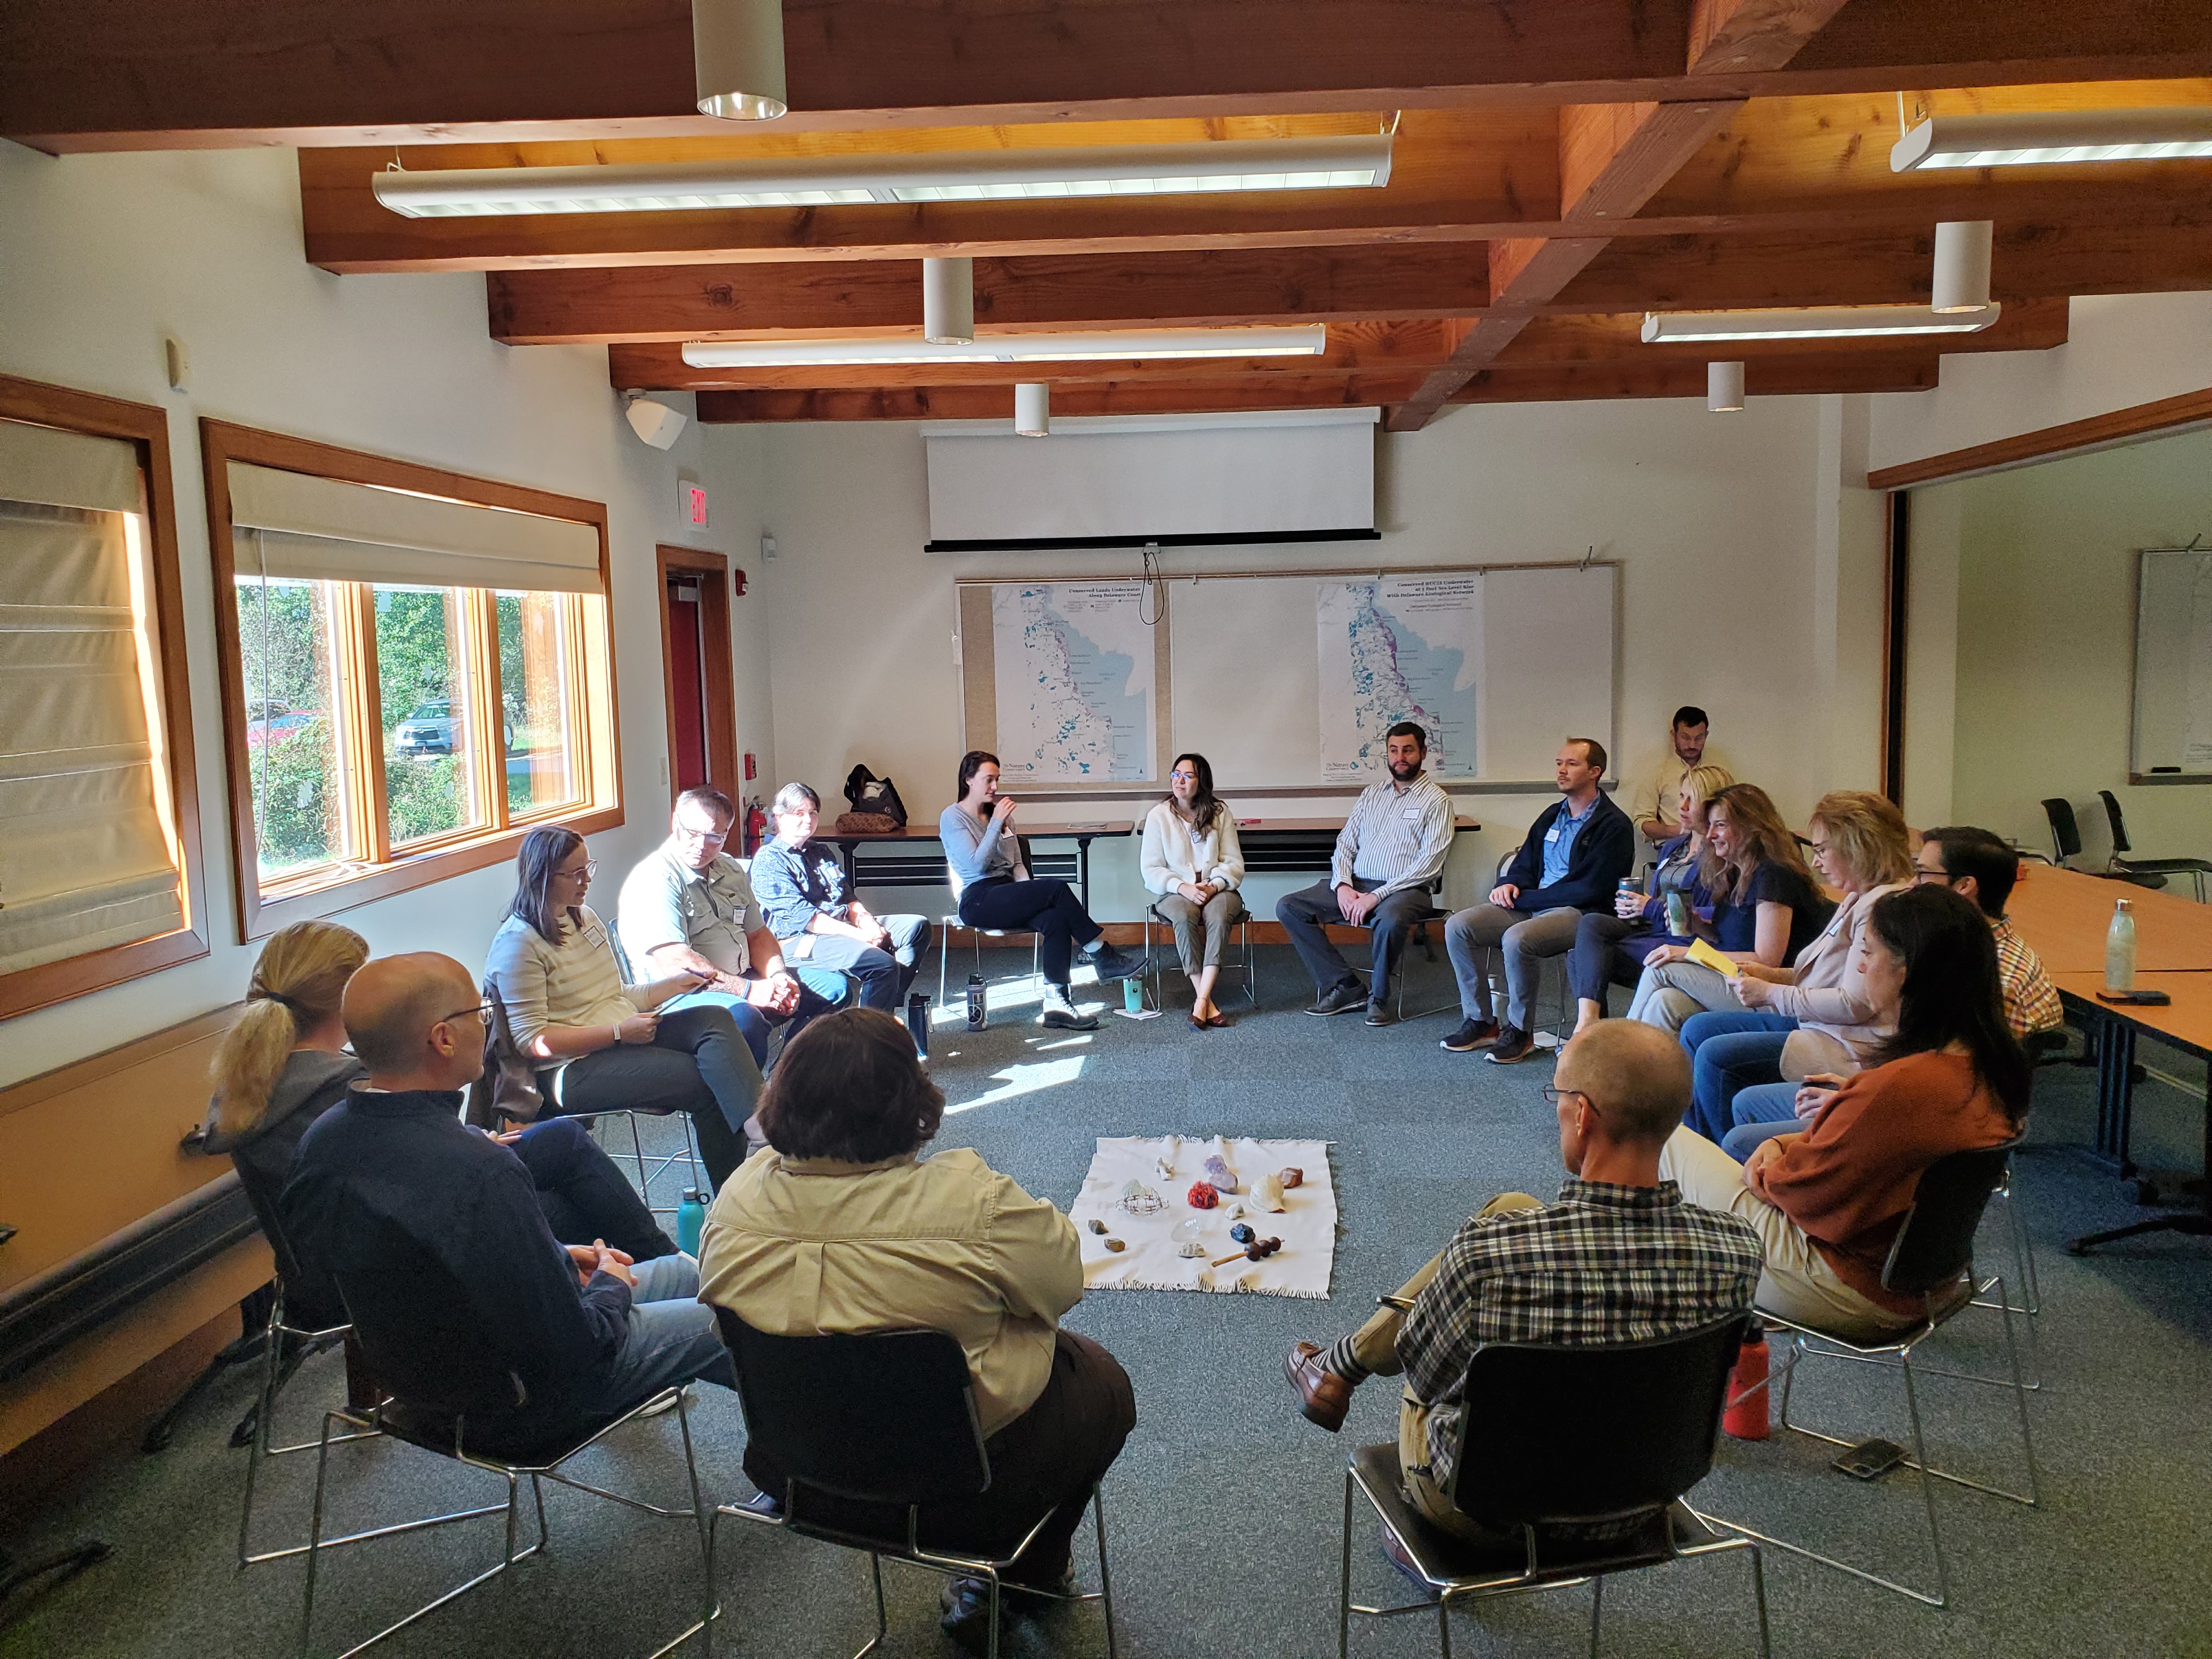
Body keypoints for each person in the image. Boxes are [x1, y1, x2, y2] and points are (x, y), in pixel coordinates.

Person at [698, 1009, 1135, 1653]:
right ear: (914, 1107)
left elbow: (723, 1327)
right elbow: (1064, 1280)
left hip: (794, 1477)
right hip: (965, 1492)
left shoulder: (735, 1199)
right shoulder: (968, 1199)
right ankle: (1021, 1577)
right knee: (1101, 1380)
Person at [1279, 1021, 1761, 1554]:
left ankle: (1340, 1369)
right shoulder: (1738, 1251)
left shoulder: (1490, 1256)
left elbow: (1425, 1372)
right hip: (1643, 1504)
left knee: (1451, 1334)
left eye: (1557, 1094)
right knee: (1516, 1206)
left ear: (1582, 1114)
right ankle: (1338, 1367)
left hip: (1484, 1512)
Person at [280, 952, 735, 1455]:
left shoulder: (323, 1141)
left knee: (690, 1276)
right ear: (443, 1039)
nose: (487, 1024)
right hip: (518, 1405)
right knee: (738, 1317)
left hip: (423, 1384)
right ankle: (805, 1475)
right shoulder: (479, 1169)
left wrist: (556, 1257)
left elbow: (384, 1277)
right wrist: (610, 1283)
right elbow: (577, 1349)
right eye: (480, 1012)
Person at [204, 922, 675, 1316]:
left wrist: (466, 1142)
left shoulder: (251, 1078)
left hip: (331, 1259)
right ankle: (643, 1297)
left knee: (560, 1143)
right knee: (571, 1200)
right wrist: (468, 1151)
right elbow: (409, 1187)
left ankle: (639, 1286)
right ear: (347, 1002)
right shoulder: (344, 1092)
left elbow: (390, 1169)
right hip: (390, 1262)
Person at [1661, 884, 2030, 1337]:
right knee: (1734, 1144)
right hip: (1924, 1281)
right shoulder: (1989, 1060)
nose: (1858, 964)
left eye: (1868, 952)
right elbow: (1898, 1144)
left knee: (1661, 1136)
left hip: (1850, 1289)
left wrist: (1769, 1168)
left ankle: (1666, 1302)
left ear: (1907, 972)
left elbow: (1800, 1194)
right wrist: (1789, 1138)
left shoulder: (1900, 1087)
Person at [488, 826, 764, 1190]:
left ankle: (762, 1136)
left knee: (716, 1018)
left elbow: (614, 995)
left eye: (589, 868)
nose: (586, 881)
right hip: (567, 1071)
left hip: (621, 1036)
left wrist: (673, 986)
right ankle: (742, 1192)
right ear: (541, 875)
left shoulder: (583, 917)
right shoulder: (519, 944)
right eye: (575, 874)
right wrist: (619, 1033)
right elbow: (532, 1041)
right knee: (706, 1081)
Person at [1675, 791, 1914, 1143]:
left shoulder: (1882, 907)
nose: (1817, 864)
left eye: (1821, 851)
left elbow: (1855, 1004)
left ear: (1855, 846)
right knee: (1696, 1027)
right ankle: (1697, 1148)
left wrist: (1772, 991)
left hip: (1846, 1042)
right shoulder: (1859, 897)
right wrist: (1773, 977)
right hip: (1823, 1022)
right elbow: (1827, 977)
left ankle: (1716, 1158)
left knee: (1713, 1053)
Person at [1441, 738, 1635, 1063]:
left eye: (1572, 764)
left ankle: (1520, 1032)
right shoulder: (1552, 816)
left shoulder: (1614, 825)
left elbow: (1589, 889)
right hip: (1534, 906)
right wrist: (1509, 884)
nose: (1561, 769)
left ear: (1595, 772)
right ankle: (1482, 1022)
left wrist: (1526, 898)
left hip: (1580, 914)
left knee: (1518, 938)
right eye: (1559, 762)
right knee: (1459, 926)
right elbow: (1525, 863)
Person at [617, 787, 822, 1076]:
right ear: (675, 822)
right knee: (746, 1019)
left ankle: (784, 1080)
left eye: (715, 837)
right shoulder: (656, 877)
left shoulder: (730, 868)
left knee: (831, 990)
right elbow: (676, 963)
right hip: (682, 996)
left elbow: (758, 935)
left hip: (742, 977)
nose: (702, 845)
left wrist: (778, 976)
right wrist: (749, 991)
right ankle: (744, 1106)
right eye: (692, 832)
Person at [939, 752, 1146, 1031]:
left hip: (1007, 893)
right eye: (989, 780)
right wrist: (996, 824)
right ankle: (1102, 955)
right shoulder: (953, 818)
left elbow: (1016, 864)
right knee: (1057, 888)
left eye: (997, 780)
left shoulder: (1001, 814)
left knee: (1055, 917)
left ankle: (1056, 1002)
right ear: (968, 780)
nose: (995, 787)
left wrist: (1032, 898)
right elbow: (976, 865)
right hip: (977, 899)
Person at [1276, 722, 1455, 1026]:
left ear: (1423, 753)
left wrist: (1376, 896)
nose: (1400, 757)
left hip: (1406, 891)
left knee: (1390, 918)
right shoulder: (1372, 794)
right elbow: (1345, 843)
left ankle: (1379, 998)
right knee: (1290, 907)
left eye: (1408, 750)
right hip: (1358, 883)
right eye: (1394, 750)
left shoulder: (1437, 801)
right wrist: (1343, 885)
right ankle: (1346, 986)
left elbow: (1429, 864)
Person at [1624, 783, 1829, 1034]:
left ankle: (1620, 1053)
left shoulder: (1774, 874)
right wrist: (1701, 927)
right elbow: (1732, 940)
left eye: (1720, 825)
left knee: (1660, 969)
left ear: (1751, 827)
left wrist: (1689, 953)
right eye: (1710, 825)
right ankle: (1653, 1071)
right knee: (1664, 1002)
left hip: (1775, 994)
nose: (1709, 835)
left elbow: (1767, 961)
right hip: (1738, 980)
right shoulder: (1732, 873)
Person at [1569, 763, 1733, 1034]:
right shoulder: (1674, 846)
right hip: (1654, 929)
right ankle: (1590, 1027)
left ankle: (1593, 1036)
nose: (1683, 806)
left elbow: (1709, 916)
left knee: (1582, 959)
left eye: (1693, 799)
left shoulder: (1719, 856)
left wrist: (1651, 907)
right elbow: (1658, 902)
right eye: (1681, 796)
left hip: (1683, 941)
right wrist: (1638, 907)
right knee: (1591, 926)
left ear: (1714, 806)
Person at [748, 780, 933, 1013]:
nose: (808, 820)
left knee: (916, 927)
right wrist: (859, 935)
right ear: (779, 818)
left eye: (813, 813)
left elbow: (846, 896)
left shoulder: (820, 851)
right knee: (881, 964)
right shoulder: (769, 860)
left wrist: (867, 921)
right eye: (799, 813)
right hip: (797, 941)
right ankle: (868, 1033)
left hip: (841, 927)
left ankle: (882, 1009)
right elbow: (805, 919)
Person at [1915, 827, 2063, 1040]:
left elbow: (1960, 1068)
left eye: (1923, 873)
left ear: (1964, 885)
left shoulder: (1993, 981)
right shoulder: (1968, 947)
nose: (1913, 884)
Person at [1139, 752, 1246, 1030]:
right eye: (1176, 774)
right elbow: (1150, 870)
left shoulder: (1220, 812)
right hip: (1175, 892)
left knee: (1220, 915)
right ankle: (1205, 1001)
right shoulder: (1158, 816)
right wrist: (1183, 887)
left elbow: (1234, 863)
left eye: (1188, 776)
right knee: (1184, 916)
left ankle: (1201, 1000)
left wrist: (1214, 886)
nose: (1180, 781)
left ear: (1202, 781)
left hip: (1217, 889)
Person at [1635, 706, 1723, 844]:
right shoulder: (1659, 775)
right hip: (1673, 850)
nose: (1692, 745)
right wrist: (1678, 831)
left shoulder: (1718, 774)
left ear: (1706, 735)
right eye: (1685, 737)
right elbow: (1642, 821)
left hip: (1713, 850)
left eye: (1699, 738)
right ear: (1673, 734)